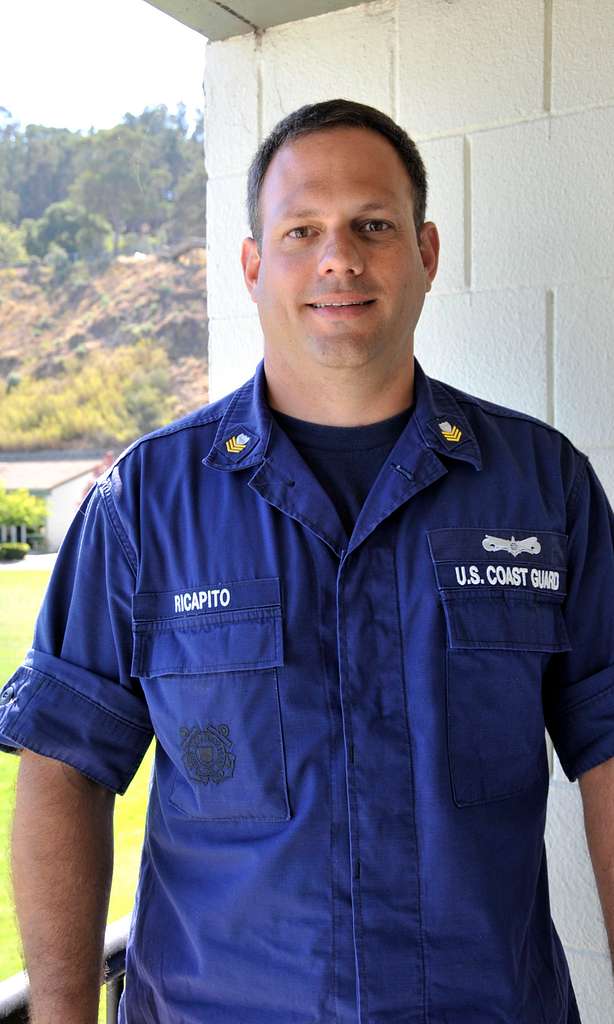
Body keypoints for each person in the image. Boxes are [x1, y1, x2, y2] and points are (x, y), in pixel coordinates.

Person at [1, 97, 612, 1024]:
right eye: (302, 230)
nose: (340, 257)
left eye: (373, 224)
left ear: (426, 253)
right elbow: (64, 768)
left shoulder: (542, 488)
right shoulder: (143, 505)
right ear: (254, 265)